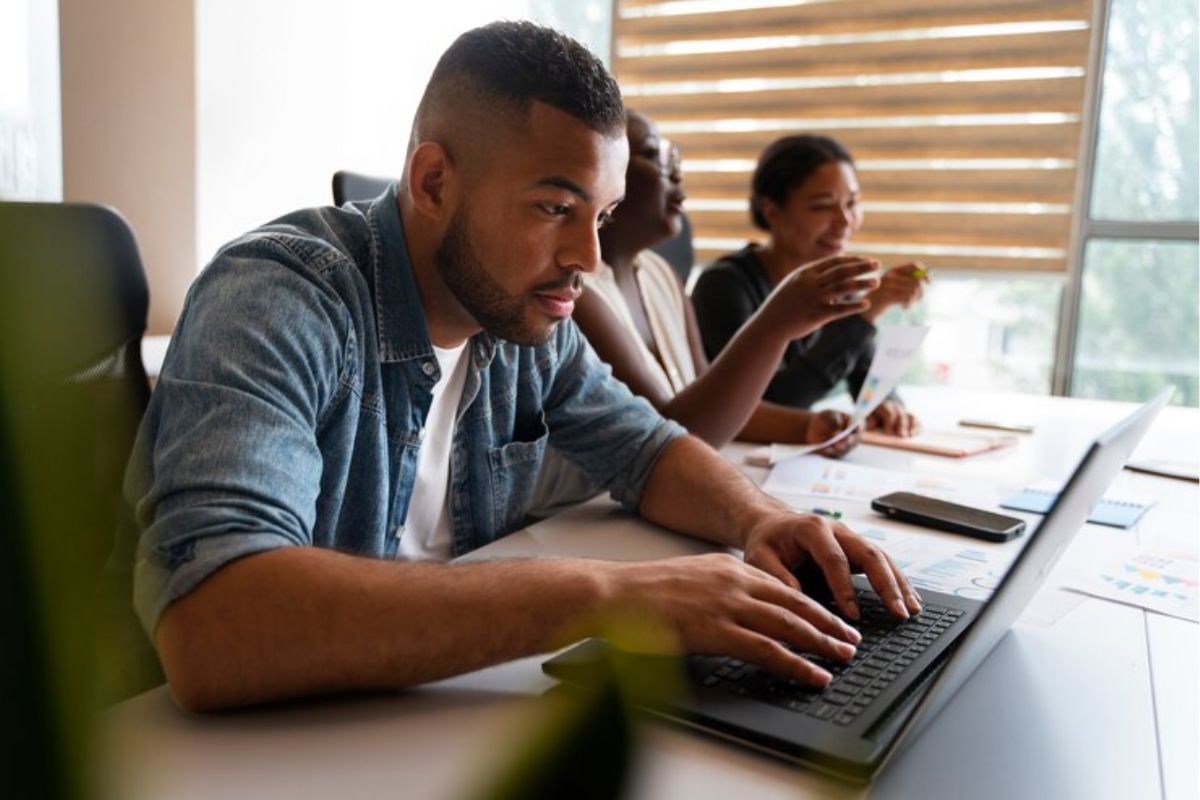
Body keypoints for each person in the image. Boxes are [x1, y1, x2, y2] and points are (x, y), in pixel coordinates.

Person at [123, 22, 919, 713]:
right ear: (434, 181)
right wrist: (607, 596)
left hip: (427, 715)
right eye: (555, 208)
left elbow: (648, 449)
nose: (588, 258)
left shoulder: (518, 317)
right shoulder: (279, 296)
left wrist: (760, 521)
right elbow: (213, 625)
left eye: (601, 216)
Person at [572, 110, 880, 455]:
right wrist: (775, 323)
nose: (675, 172)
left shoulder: (663, 276)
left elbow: (712, 399)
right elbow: (666, 438)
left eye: (674, 156)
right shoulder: (577, 293)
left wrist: (809, 426)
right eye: (651, 155)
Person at [691, 135, 928, 437]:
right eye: (822, 207)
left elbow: (866, 383)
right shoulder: (724, 287)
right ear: (772, 212)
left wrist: (887, 407)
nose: (845, 221)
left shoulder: (837, 285)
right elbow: (771, 404)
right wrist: (866, 314)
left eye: (852, 203)